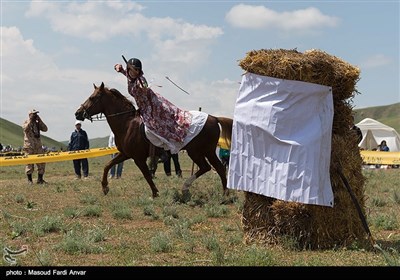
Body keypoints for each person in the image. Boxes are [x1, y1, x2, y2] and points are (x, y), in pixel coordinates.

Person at [114, 57, 193, 147]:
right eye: (134, 69)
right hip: (143, 107)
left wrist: (143, 87)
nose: (136, 71)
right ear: (129, 69)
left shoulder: (141, 79)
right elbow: (121, 70)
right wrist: (118, 68)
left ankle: (164, 147)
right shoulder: (129, 76)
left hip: (152, 105)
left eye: (138, 70)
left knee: (152, 127)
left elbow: (144, 86)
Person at [22, 109, 48, 184]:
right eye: (34, 114)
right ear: (30, 115)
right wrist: (30, 120)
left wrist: (40, 120)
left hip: (38, 146)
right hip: (29, 146)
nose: (35, 115)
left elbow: (45, 129)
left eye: (36, 114)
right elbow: (25, 129)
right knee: (29, 163)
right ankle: (29, 180)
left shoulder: (37, 123)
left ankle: (40, 179)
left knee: (41, 162)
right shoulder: (26, 122)